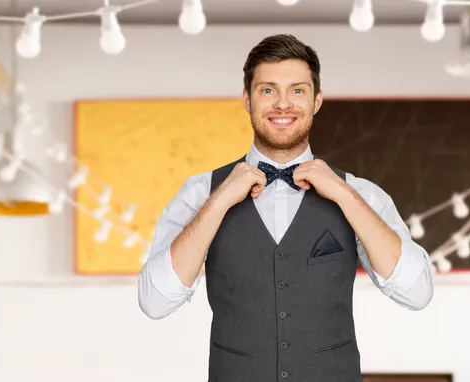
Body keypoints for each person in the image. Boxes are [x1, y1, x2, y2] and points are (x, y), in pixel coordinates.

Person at [138, 34, 434, 382]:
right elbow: (154, 302)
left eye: (297, 90)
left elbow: (418, 293)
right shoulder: (201, 191)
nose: (282, 104)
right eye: (268, 90)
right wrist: (219, 200)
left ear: (316, 100)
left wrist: (344, 196)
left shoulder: (358, 193)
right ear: (248, 100)